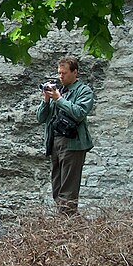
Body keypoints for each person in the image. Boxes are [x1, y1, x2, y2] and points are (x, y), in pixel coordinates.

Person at [36, 55, 94, 215]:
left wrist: (59, 99)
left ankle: (66, 224)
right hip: (55, 142)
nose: (60, 77)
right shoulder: (58, 91)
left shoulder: (84, 91)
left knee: (68, 188)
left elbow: (79, 113)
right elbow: (40, 117)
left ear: (75, 72)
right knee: (57, 185)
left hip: (73, 143)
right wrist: (46, 100)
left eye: (64, 73)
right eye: (59, 73)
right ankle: (65, 219)